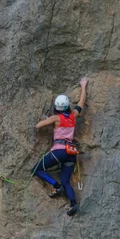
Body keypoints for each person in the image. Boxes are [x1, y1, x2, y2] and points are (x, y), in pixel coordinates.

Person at [32, 77, 88, 216]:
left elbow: (38, 126)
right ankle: (73, 204)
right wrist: (83, 86)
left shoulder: (56, 118)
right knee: (66, 181)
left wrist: (47, 119)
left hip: (59, 151)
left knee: (36, 169)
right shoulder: (73, 115)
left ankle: (56, 186)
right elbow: (81, 103)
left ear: (56, 108)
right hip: (71, 153)